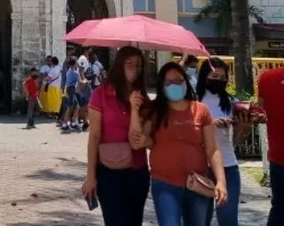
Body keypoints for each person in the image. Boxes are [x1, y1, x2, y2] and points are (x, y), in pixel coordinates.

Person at [130, 62, 227, 226]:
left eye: (179, 80)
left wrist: (221, 182)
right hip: (165, 184)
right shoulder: (155, 110)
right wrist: (134, 109)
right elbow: (136, 141)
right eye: (169, 82)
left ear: (186, 82)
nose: (174, 85)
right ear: (162, 85)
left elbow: (212, 150)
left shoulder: (201, 110)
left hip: (198, 183)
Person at [81, 47, 150, 226]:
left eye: (139, 65)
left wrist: (135, 107)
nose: (135, 69)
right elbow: (94, 136)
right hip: (108, 172)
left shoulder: (143, 98)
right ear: (120, 65)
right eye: (130, 64)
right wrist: (91, 176)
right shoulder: (101, 94)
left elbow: (139, 137)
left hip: (137, 170)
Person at [197, 58, 251, 226]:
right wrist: (209, 125)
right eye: (214, 76)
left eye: (222, 77)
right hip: (200, 168)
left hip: (228, 165)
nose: (218, 80)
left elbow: (238, 139)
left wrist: (244, 126)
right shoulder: (194, 100)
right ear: (205, 76)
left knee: (228, 218)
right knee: (200, 219)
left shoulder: (230, 101)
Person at [257, 64, 284, 226]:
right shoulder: (269, 78)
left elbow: (260, 112)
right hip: (278, 157)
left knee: (279, 209)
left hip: (278, 157)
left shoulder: (267, 77)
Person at [60, 57, 80, 132]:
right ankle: (65, 124)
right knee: (70, 107)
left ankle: (73, 123)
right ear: (75, 63)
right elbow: (80, 82)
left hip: (69, 89)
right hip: (72, 90)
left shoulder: (68, 72)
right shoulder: (76, 73)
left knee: (77, 107)